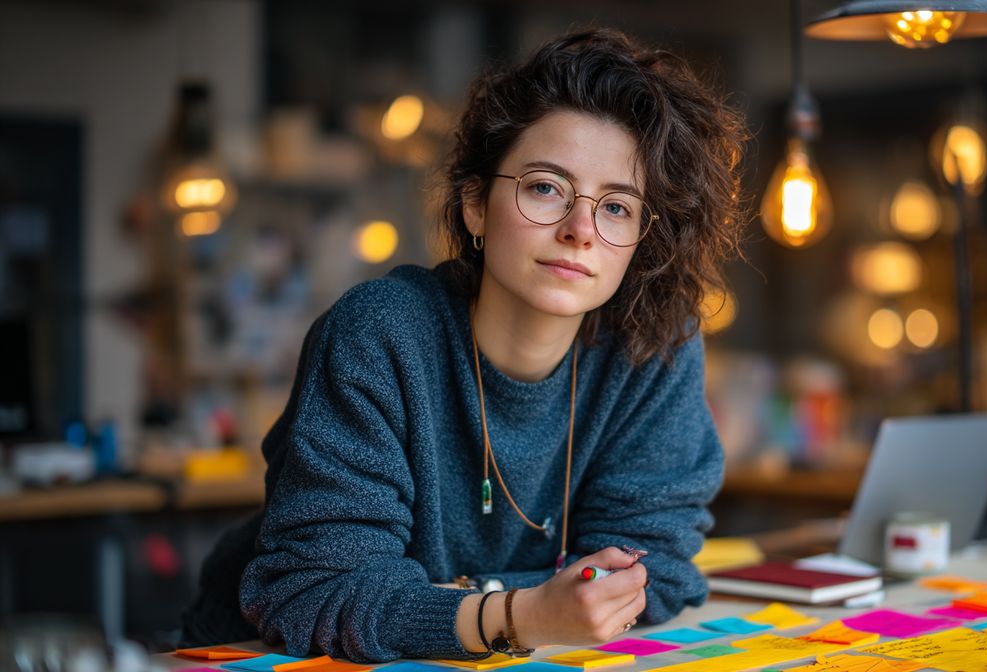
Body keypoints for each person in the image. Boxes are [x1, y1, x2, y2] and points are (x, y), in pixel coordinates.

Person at [181, 27, 747, 663]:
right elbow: (321, 592)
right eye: (545, 188)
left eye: (616, 207)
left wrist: (455, 601)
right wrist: (526, 613)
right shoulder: (381, 335)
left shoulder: (654, 348)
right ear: (475, 203)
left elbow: (653, 572)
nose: (580, 231)